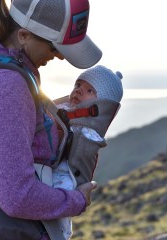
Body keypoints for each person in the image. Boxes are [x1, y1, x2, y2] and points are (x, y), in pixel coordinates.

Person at [0, 0, 103, 239]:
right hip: (9, 229)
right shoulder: (6, 85)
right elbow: (17, 197)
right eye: (55, 48)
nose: (61, 57)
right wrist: (77, 200)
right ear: (24, 35)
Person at [52, 65, 123, 239]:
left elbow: (82, 144)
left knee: (60, 202)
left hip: (67, 175)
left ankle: (60, 233)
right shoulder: (64, 109)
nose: (78, 91)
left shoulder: (89, 131)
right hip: (49, 172)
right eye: (78, 85)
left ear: (102, 101)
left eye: (89, 90)